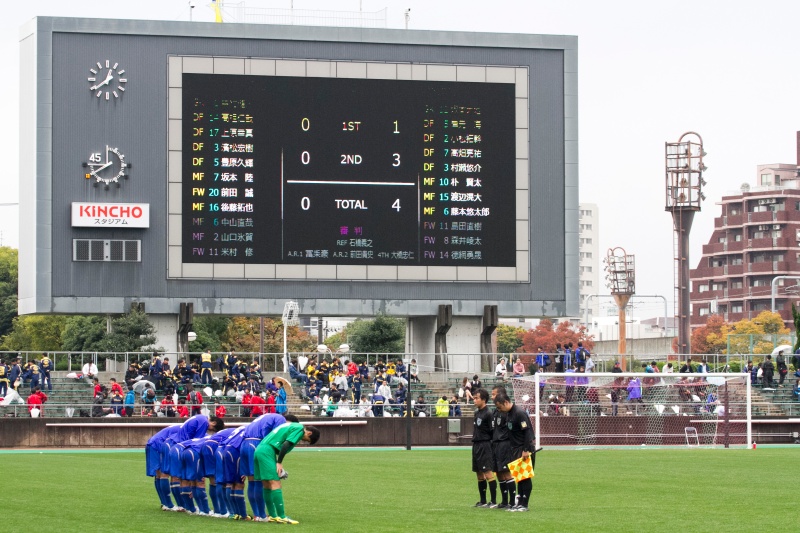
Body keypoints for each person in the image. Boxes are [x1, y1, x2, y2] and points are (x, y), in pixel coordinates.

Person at [253, 422, 320, 524]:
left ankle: (273, 515)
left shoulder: (292, 425)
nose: (304, 440)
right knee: (276, 483)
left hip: (260, 449)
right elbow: (286, 444)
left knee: (266, 484)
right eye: (307, 440)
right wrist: (279, 463)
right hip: (267, 451)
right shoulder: (300, 430)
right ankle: (282, 516)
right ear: (309, 433)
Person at [237, 413, 293, 521]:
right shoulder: (280, 419)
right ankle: (262, 515)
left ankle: (257, 515)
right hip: (256, 444)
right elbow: (275, 439)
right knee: (259, 480)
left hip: (245, 444)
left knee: (252, 480)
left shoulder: (265, 416)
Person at [493, 391, 535, 512]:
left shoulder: (519, 413)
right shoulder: (509, 413)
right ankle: (519, 503)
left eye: (500, 407)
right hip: (515, 449)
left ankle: (525, 504)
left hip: (523, 449)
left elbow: (527, 432)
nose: (499, 410)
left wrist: (526, 450)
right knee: (519, 477)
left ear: (505, 402)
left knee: (525, 477)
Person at [471, 388, 497, 508]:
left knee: (488, 473)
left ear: (484, 400)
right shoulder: (477, 413)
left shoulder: (489, 413)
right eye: (474, 398)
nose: (474, 400)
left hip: (485, 445)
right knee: (479, 473)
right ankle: (483, 500)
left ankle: (493, 501)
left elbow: (493, 432)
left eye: (476, 398)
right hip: (476, 445)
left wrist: (492, 448)